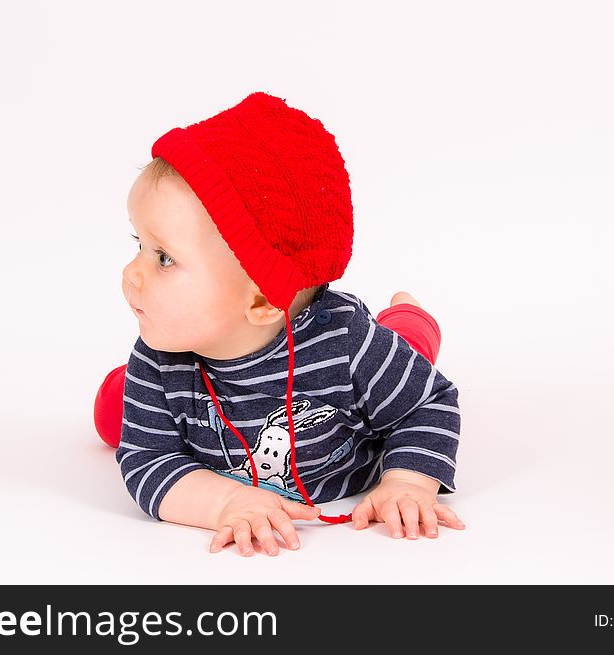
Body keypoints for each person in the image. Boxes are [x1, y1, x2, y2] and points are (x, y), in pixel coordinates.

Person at [94, 91, 465, 556]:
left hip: (373, 357)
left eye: (164, 258)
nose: (132, 272)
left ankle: (409, 315)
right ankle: (119, 392)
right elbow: (148, 459)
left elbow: (428, 405)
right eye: (139, 245)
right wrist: (226, 500)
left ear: (264, 301)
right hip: (175, 393)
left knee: (405, 354)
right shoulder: (160, 355)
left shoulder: (349, 346)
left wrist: (408, 482)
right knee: (122, 415)